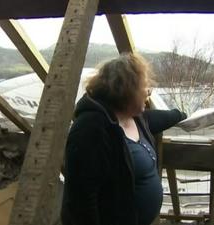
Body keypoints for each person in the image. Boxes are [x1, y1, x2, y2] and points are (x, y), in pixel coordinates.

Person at [61, 53, 186, 225]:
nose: (148, 93)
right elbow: (80, 202)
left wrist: (182, 116)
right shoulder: (90, 130)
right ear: (127, 89)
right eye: (145, 87)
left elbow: (157, 118)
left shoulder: (134, 118)